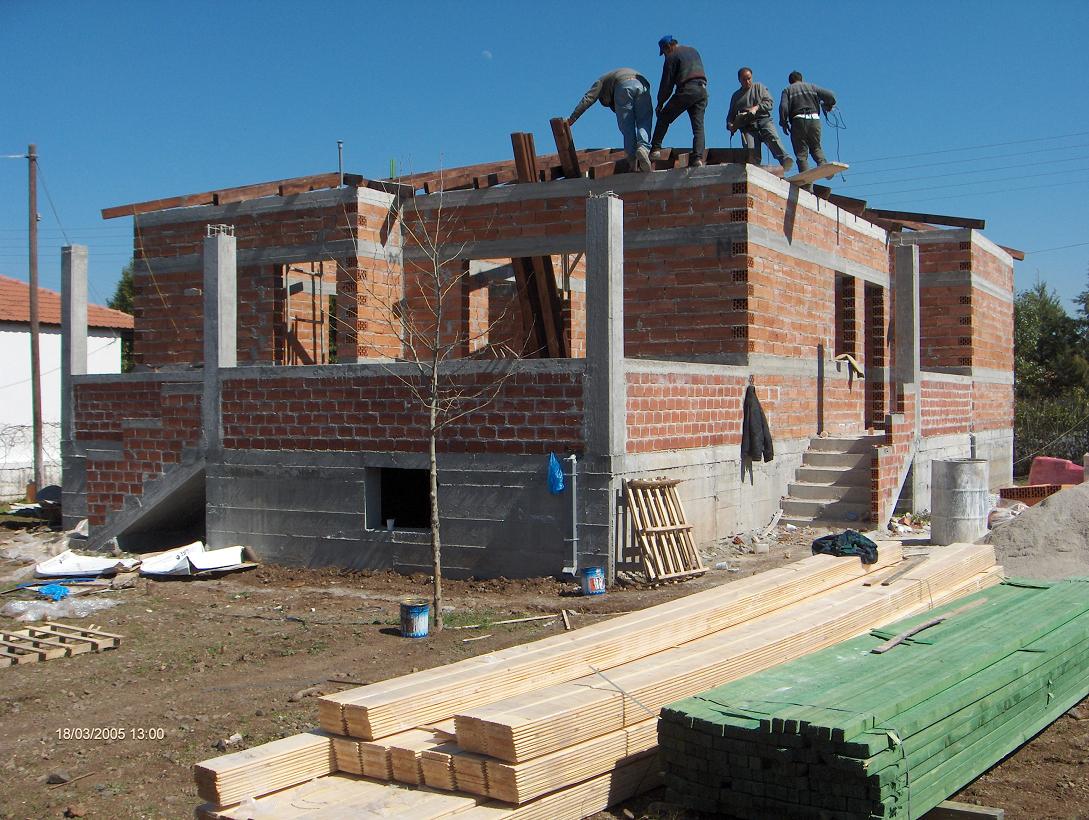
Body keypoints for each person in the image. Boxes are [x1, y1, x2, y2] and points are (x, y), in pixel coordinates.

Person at [567, 68, 653, 172]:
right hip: (642, 84)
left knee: (627, 126)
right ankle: (643, 148)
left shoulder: (601, 82)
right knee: (644, 121)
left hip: (623, 85)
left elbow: (588, 98)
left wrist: (573, 118)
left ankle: (632, 160)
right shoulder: (611, 78)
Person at [649, 35, 708, 167]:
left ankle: (655, 150)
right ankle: (698, 158)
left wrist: (660, 103)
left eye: (664, 52)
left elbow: (666, 84)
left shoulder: (671, 56)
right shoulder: (693, 50)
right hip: (702, 90)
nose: (664, 55)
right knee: (698, 127)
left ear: (667, 47)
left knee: (664, 117)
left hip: (687, 90)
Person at [727, 67, 793, 172]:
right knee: (751, 152)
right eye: (744, 79)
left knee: (773, 139)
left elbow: (769, 103)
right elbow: (731, 115)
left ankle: (785, 160)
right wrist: (730, 125)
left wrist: (756, 108)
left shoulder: (759, 87)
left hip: (763, 121)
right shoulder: (736, 96)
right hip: (747, 127)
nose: (747, 82)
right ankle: (755, 171)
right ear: (739, 80)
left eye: (749, 78)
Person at [778, 71, 837, 181]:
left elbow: (783, 107)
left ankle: (807, 185)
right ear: (801, 79)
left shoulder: (787, 90)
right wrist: (828, 104)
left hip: (798, 120)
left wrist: (784, 122)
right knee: (816, 147)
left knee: (801, 155)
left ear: (790, 81)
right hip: (814, 119)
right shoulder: (811, 87)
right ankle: (823, 166)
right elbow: (830, 95)